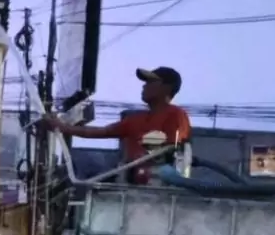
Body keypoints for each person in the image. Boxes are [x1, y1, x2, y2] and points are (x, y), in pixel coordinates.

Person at [42, 66, 192, 182]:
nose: (144, 86)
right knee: (86, 164)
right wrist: (61, 127)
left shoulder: (176, 114)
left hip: (158, 184)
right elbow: (101, 132)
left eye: (150, 82)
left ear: (166, 87)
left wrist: (143, 160)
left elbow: (174, 149)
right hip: (130, 181)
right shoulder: (136, 119)